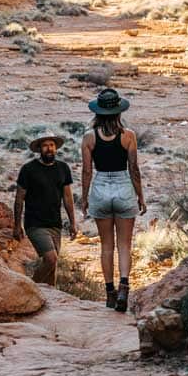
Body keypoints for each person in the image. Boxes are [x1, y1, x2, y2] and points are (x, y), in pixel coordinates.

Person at [79, 88, 146, 312]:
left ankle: (110, 293)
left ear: (98, 112)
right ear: (118, 112)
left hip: (100, 188)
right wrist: (140, 196)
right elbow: (134, 169)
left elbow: (86, 172)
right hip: (123, 186)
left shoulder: (89, 137)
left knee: (106, 245)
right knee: (124, 244)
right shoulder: (129, 136)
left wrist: (86, 198)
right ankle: (124, 287)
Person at [13, 131, 76, 286]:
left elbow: (68, 197)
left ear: (56, 148)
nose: (49, 148)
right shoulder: (28, 169)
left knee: (52, 267)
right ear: (39, 149)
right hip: (35, 224)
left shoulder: (63, 168)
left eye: (52, 145)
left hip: (55, 223)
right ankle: (29, 289)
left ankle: (50, 300)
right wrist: (17, 225)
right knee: (51, 258)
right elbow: (19, 198)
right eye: (45, 145)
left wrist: (73, 223)